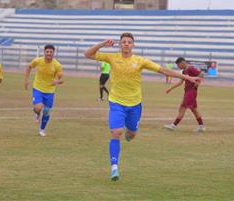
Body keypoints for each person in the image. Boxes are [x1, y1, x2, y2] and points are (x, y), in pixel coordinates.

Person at [84, 32, 201, 181]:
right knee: (116, 132)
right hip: (116, 102)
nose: (126, 44)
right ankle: (114, 166)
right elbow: (87, 54)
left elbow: (164, 70)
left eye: (129, 42)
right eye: (124, 42)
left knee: (131, 134)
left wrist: (188, 77)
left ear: (133, 45)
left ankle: (129, 134)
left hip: (134, 104)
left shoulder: (140, 61)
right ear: (120, 44)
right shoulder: (111, 57)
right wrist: (102, 44)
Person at [24, 45, 63, 137]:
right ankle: (37, 114)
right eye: (47, 52)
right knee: (38, 107)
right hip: (38, 88)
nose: (49, 53)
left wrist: (57, 81)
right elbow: (29, 67)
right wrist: (26, 80)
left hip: (50, 91)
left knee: (46, 111)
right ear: (44, 52)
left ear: (54, 53)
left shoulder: (57, 65)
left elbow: (61, 79)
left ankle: (42, 129)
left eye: (51, 52)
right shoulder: (38, 61)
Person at [164, 57, 205, 132]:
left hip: (191, 92)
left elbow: (201, 74)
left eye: (178, 65)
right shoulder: (184, 71)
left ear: (182, 63)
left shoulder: (191, 68)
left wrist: (198, 83)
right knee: (194, 109)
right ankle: (201, 126)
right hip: (188, 91)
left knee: (182, 108)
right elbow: (180, 82)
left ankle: (173, 126)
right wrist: (170, 88)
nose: (178, 67)